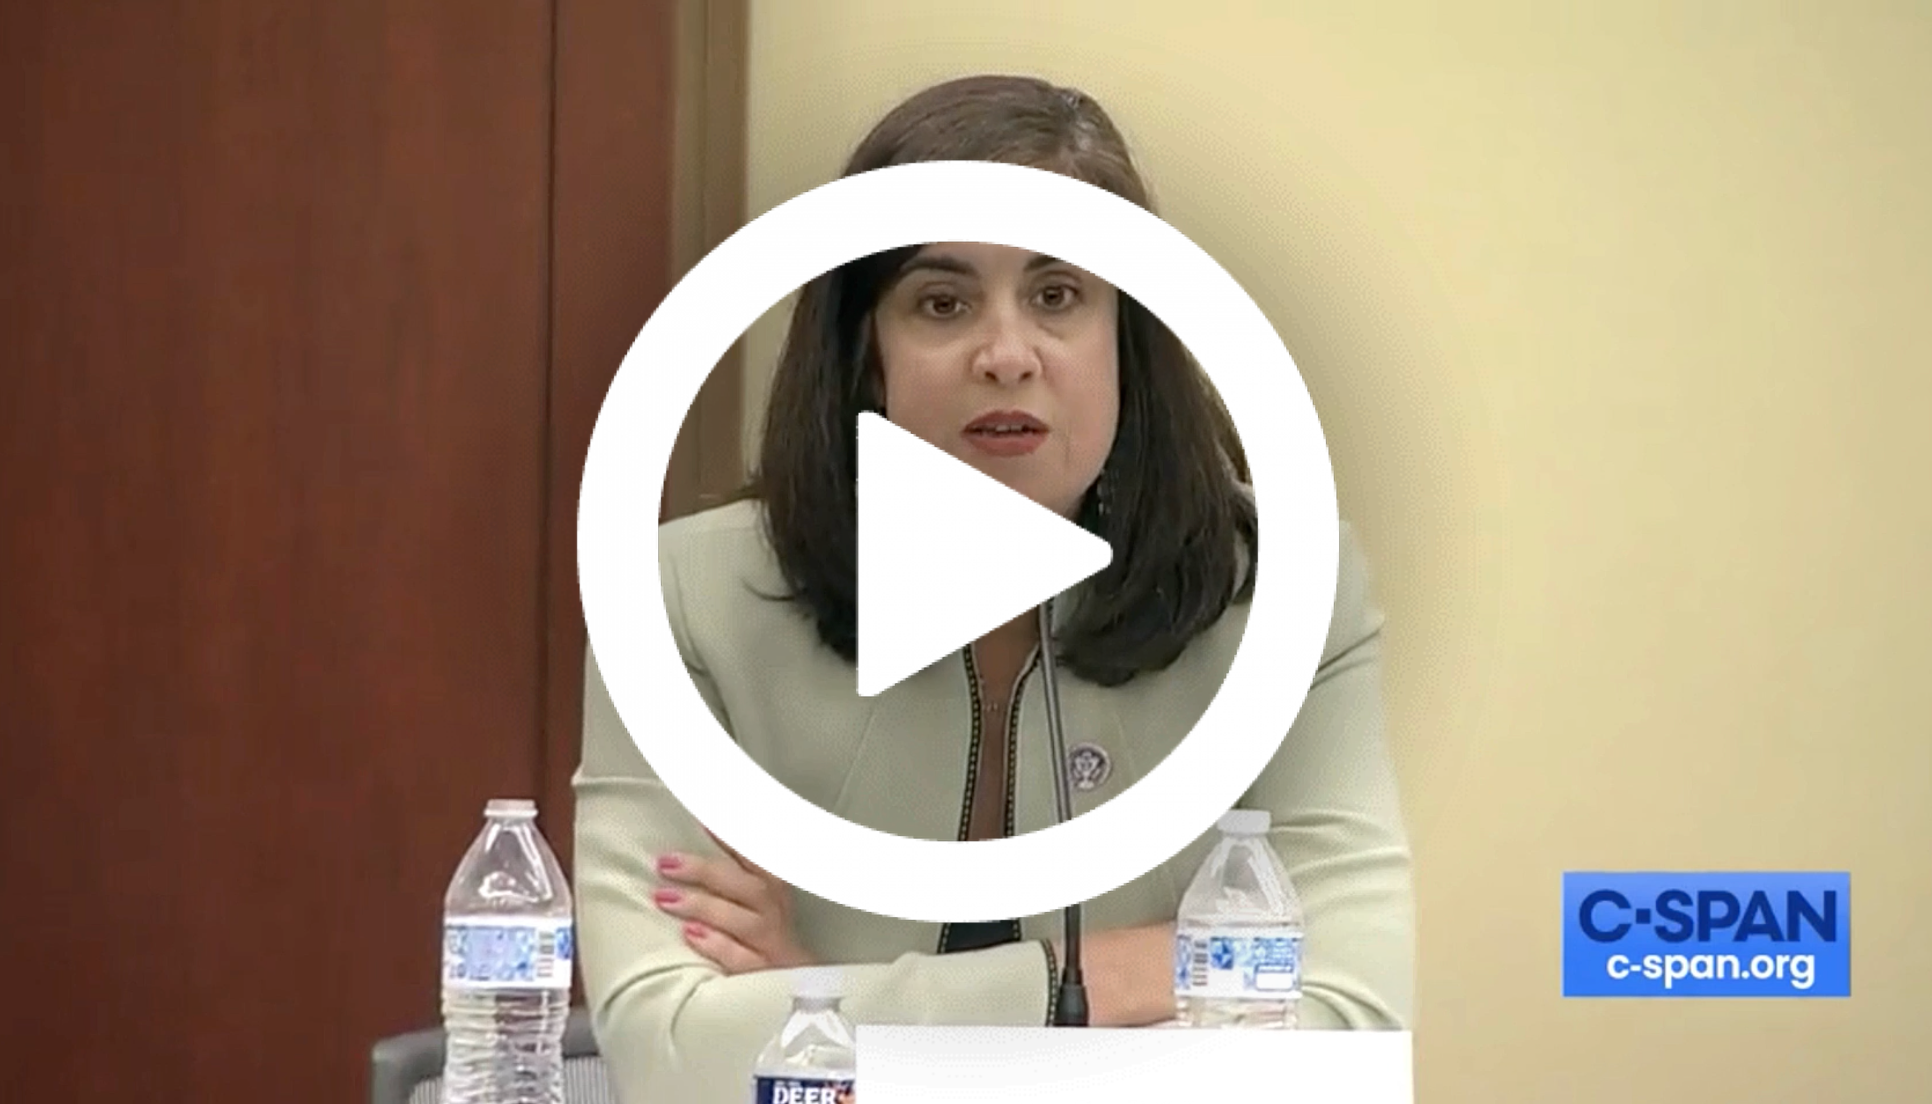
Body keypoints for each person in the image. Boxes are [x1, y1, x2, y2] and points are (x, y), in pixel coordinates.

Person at [573, 74, 1413, 1104]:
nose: (1007, 356)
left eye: (1057, 296)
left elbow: (1345, 1040)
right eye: (943, 302)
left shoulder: (1285, 594)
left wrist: (824, 1005)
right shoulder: (686, 599)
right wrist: (1099, 977)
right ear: (866, 354)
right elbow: (666, 1054)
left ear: (1126, 338)